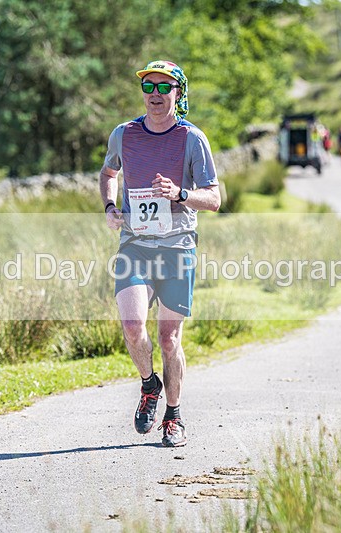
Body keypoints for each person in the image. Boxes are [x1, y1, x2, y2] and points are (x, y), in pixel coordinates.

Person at [99, 60, 221, 447]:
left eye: (163, 87)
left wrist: (180, 194)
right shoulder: (124, 134)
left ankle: (174, 414)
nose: (154, 94)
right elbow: (108, 174)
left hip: (177, 247)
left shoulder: (192, 138)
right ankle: (149, 384)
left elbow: (214, 198)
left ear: (178, 93)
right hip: (135, 244)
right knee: (133, 328)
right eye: (147, 87)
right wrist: (110, 207)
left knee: (169, 339)